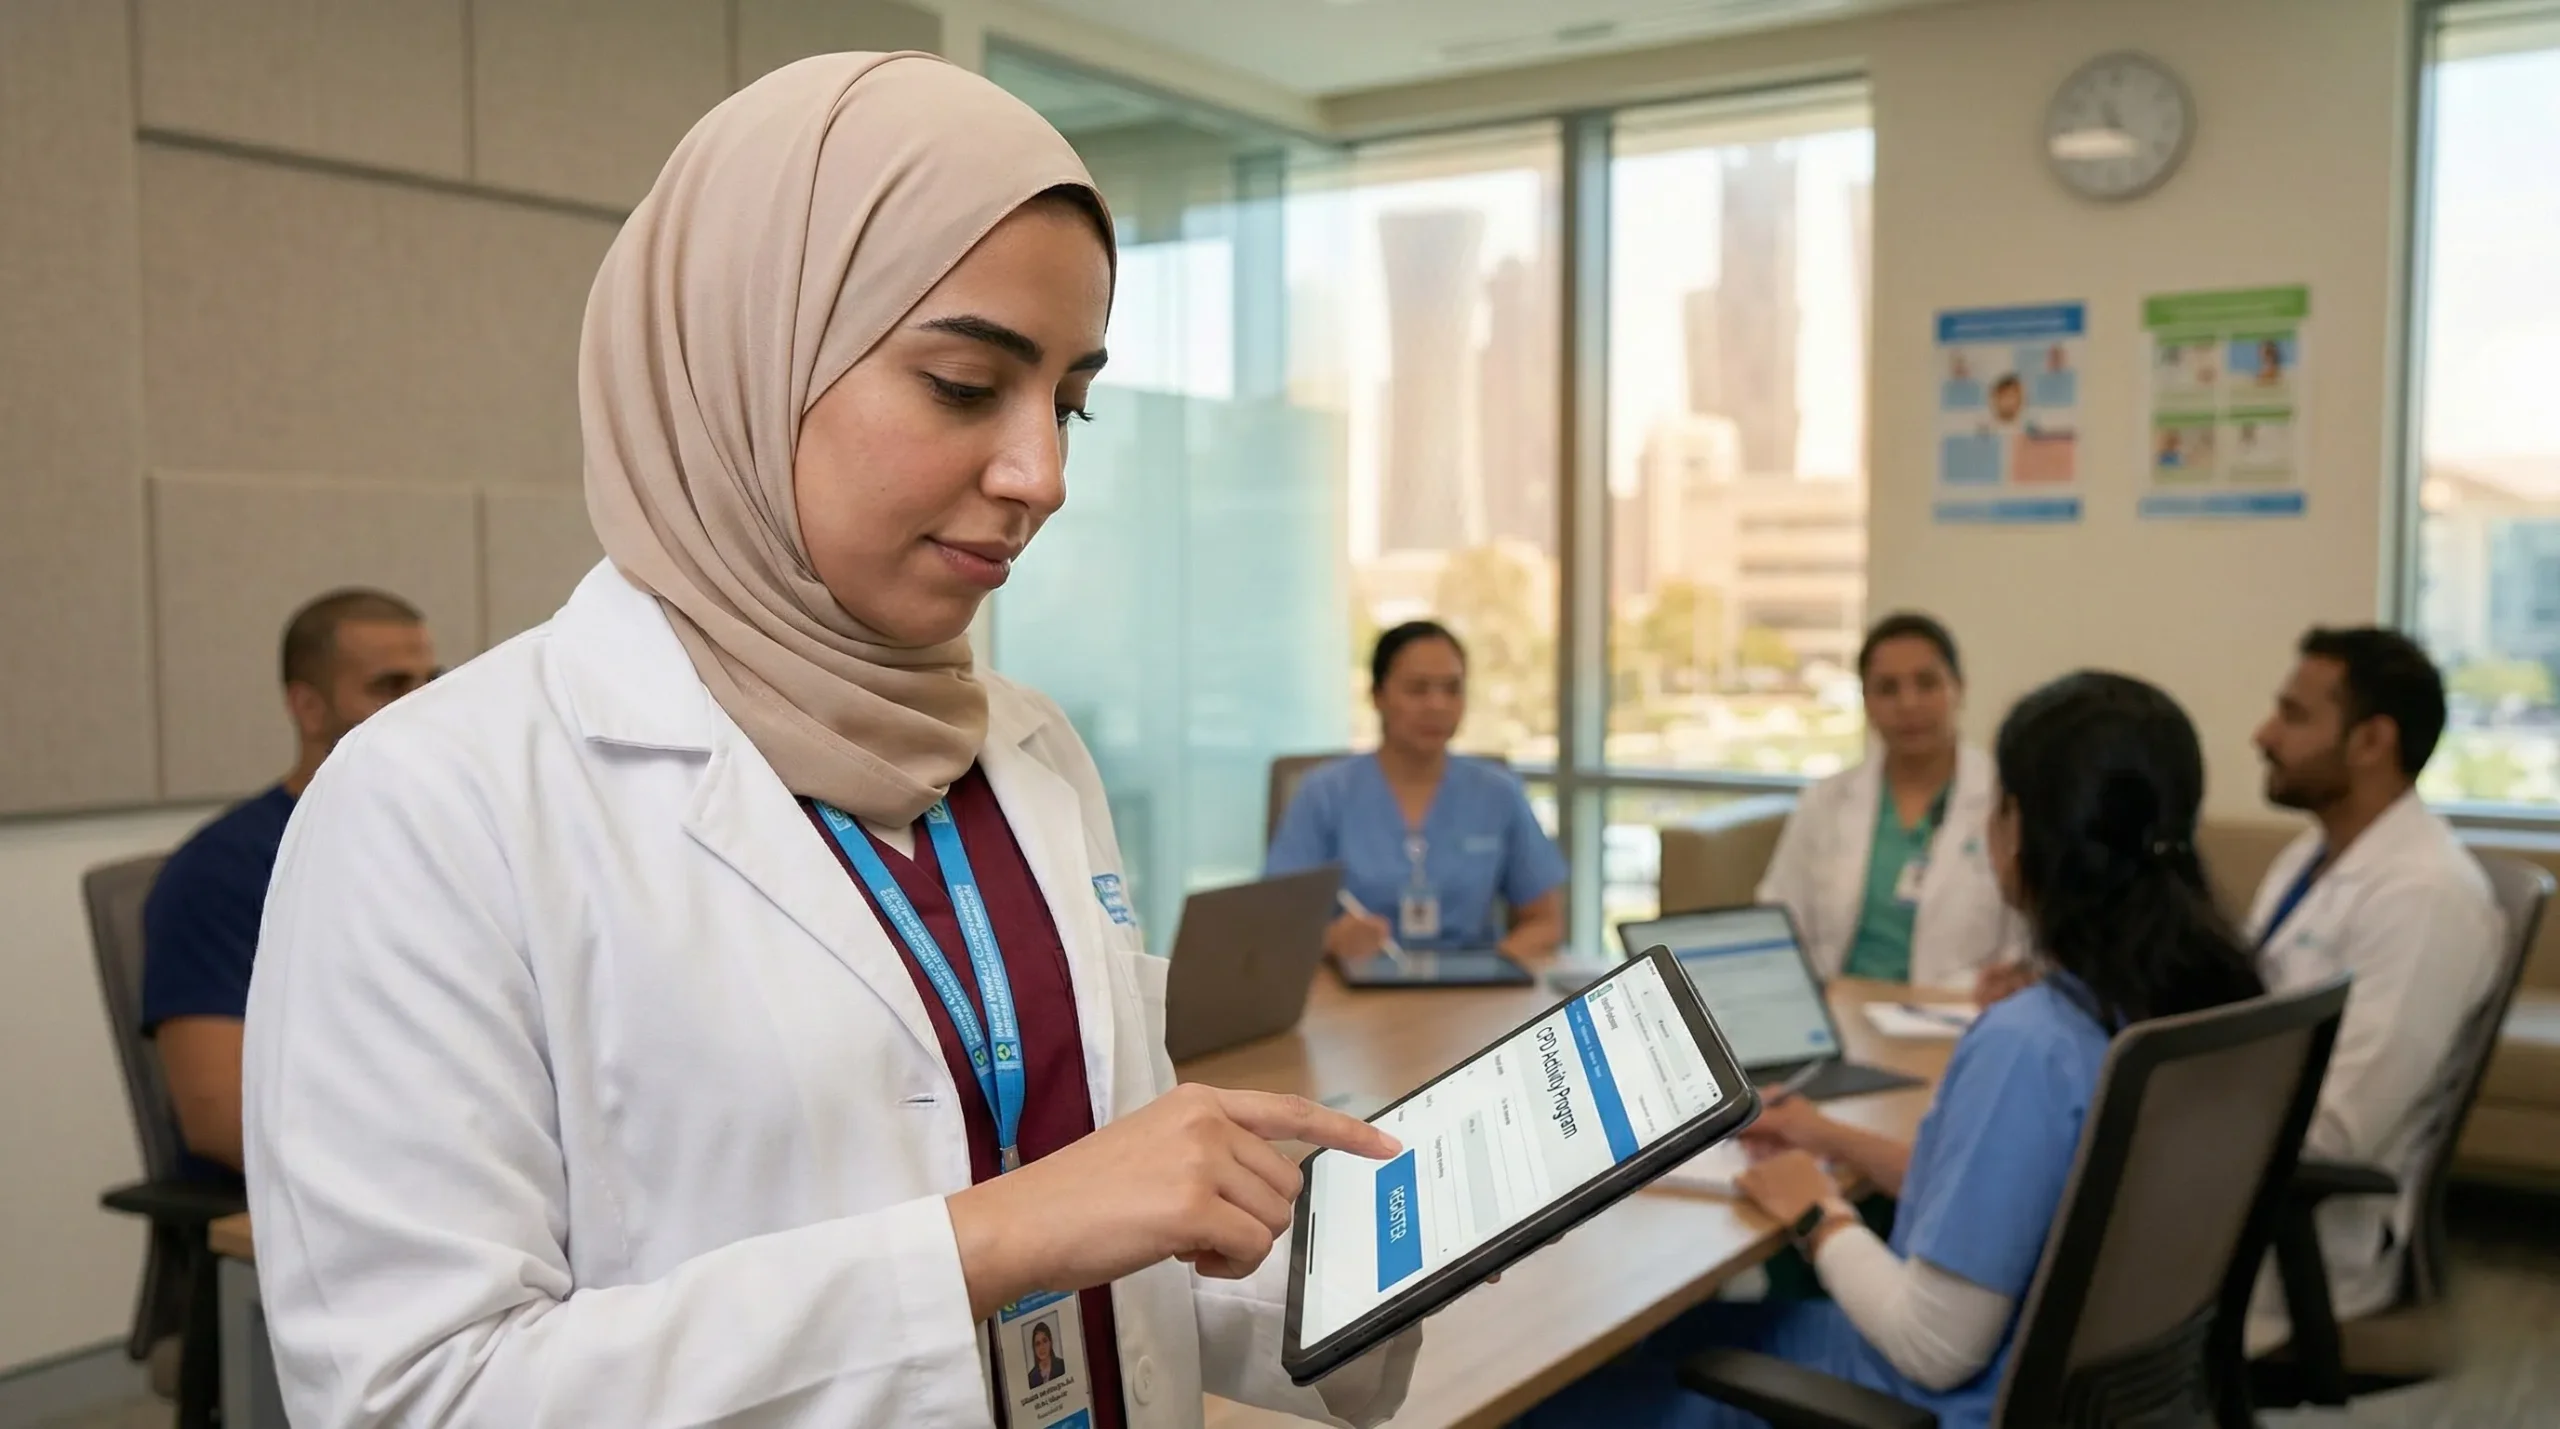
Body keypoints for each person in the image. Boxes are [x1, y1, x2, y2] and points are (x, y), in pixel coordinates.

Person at [240, 54, 1416, 1429]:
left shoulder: (1023, 751)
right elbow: (416, 1397)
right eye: (966, 385)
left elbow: (1110, 1221)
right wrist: (992, 1237)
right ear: (748, 358)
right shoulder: (436, 804)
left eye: (1070, 403)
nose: (1042, 475)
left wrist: (1381, 1255)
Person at [1522, 672, 2265, 1428]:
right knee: (1652, 1345)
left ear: (2021, 831)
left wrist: (1813, 1210)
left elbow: (1934, 1345)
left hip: (1909, 1401)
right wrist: (1826, 1136)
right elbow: (2020, 1206)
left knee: (1546, 1397)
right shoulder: (2181, 1006)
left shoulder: (2029, 1045)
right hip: (2069, 1397)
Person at [2245, 627, 2502, 1335]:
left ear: (2371, 741)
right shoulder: (2313, 854)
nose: (2263, 735)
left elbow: (2336, 1133)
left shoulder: (2424, 898)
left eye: (2294, 715)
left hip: (2301, 1239)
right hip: (2244, 1180)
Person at [140, 588, 437, 1186]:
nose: (420, 706)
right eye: (388, 686)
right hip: (328, 1200)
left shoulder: (446, 842)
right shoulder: (220, 872)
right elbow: (220, 1117)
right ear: (308, 707)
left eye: (430, 682)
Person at [1267, 621, 1566, 964]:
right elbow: (1278, 921)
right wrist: (1332, 939)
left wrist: (1492, 970)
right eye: (1417, 689)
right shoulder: (1325, 793)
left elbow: (1545, 921)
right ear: (1378, 695)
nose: (1437, 705)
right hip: (1353, 984)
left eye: (1452, 689)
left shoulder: (1498, 793)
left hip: (1474, 988)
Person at [1757, 614, 2027, 989]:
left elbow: (2024, 946)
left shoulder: (2006, 802)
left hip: (1961, 1010)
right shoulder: (1825, 801)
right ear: (1866, 702)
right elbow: (1778, 918)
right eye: (1887, 689)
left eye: (1927, 683)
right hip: (1838, 1007)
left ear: (1959, 689)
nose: (1908, 704)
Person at [1028, 1320, 1068, 1388]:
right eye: (1038, 1344)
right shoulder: (1031, 1378)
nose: (1042, 1347)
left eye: (1045, 1341)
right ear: (1034, 1348)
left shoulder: (1062, 1366)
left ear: (1050, 1342)